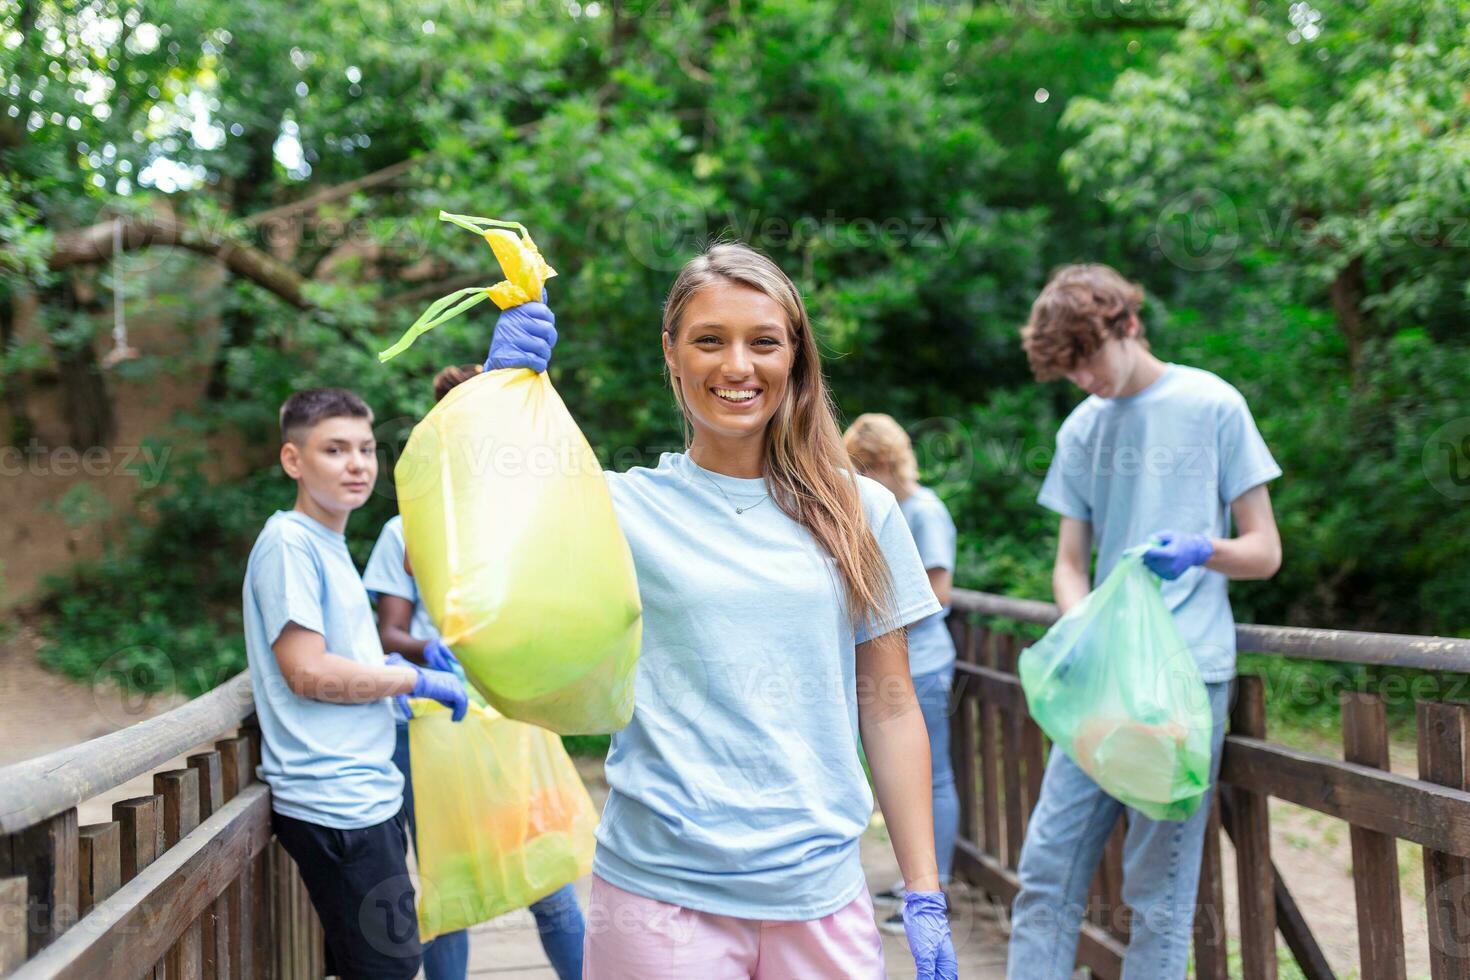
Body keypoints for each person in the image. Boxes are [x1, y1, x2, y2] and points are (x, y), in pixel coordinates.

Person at [480, 242, 959, 979]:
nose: (738, 366)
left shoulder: (863, 510)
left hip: (823, 900)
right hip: (658, 902)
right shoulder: (615, 506)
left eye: (763, 342)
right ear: (672, 352)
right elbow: (479, 554)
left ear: (795, 357)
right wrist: (499, 402)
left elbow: (891, 705)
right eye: (710, 340)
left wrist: (923, 892)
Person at [1007, 265, 1283, 979]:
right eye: (1069, 372)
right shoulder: (1083, 427)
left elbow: (1265, 552)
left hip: (1186, 679)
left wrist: (1202, 550)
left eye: (1088, 359)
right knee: (1047, 869)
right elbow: (1071, 562)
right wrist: (1085, 623)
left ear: (1127, 324)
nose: (1085, 380)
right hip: (1104, 681)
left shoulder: (1214, 404)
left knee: (1158, 890)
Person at [362, 363, 587, 980]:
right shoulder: (403, 527)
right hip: (436, 723)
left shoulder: (516, 520)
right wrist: (428, 652)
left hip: (510, 715)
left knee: (545, 873)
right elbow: (389, 631)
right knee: (447, 880)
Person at [241, 387, 469, 980]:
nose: (358, 464)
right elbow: (307, 672)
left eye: (366, 449)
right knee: (390, 968)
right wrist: (409, 679)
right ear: (294, 460)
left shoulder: (328, 541)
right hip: (334, 800)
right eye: (335, 449)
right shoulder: (290, 543)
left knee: (369, 965)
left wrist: (409, 669)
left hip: (364, 792)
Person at [843, 413, 961, 934]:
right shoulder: (884, 505)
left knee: (932, 778)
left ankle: (939, 886)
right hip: (892, 663)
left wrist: (870, 615)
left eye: (863, 469)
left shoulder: (924, 510)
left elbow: (938, 593)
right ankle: (912, 879)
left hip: (925, 663)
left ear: (886, 462)